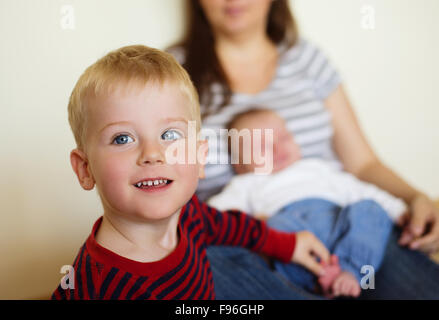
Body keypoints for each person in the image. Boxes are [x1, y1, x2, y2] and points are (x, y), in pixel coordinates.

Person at [169, 0, 439, 299]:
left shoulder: (306, 60)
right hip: (252, 245)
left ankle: (347, 273)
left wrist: (416, 200)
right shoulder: (170, 73)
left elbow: (362, 165)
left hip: (344, 226)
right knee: (205, 263)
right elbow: (175, 198)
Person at [51, 45, 332, 300]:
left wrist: (287, 244)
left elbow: (230, 226)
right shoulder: (96, 284)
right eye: (122, 138)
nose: (152, 154)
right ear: (85, 169)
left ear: (200, 158)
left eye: (170, 134)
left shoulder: (189, 215)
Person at [208, 108, 407, 297]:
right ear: (240, 165)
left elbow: (362, 191)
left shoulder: (316, 168)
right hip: (294, 242)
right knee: (274, 228)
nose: (277, 148)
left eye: (284, 138)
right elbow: (215, 215)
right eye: (263, 146)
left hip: (338, 226)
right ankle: (318, 280)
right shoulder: (246, 183)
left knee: (370, 208)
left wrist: (400, 211)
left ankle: (351, 271)